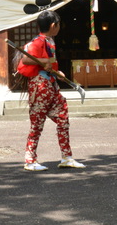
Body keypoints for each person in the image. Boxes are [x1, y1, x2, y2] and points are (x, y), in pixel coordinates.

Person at [17, 10, 85, 172]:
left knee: (63, 117)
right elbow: (25, 59)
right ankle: (30, 160)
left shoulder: (49, 41)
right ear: (53, 25)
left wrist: (57, 72)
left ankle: (66, 157)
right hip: (40, 87)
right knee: (37, 124)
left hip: (51, 85)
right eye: (59, 24)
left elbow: (49, 64)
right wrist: (43, 61)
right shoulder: (38, 41)